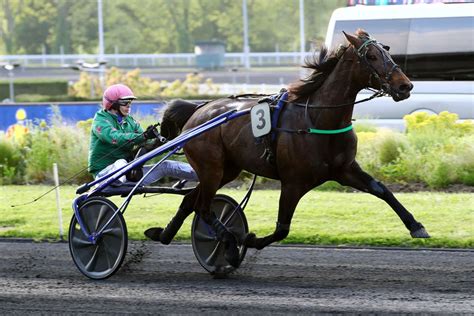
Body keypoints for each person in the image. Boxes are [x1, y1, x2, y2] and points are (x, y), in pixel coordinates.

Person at [88, 83, 197, 187]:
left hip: (128, 171)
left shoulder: (130, 121)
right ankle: (116, 182)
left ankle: (203, 174)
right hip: (103, 175)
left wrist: (165, 143)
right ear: (113, 104)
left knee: (167, 166)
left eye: (130, 103)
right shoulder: (100, 120)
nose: (128, 106)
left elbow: (146, 141)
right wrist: (144, 136)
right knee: (121, 162)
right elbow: (115, 138)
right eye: (125, 103)